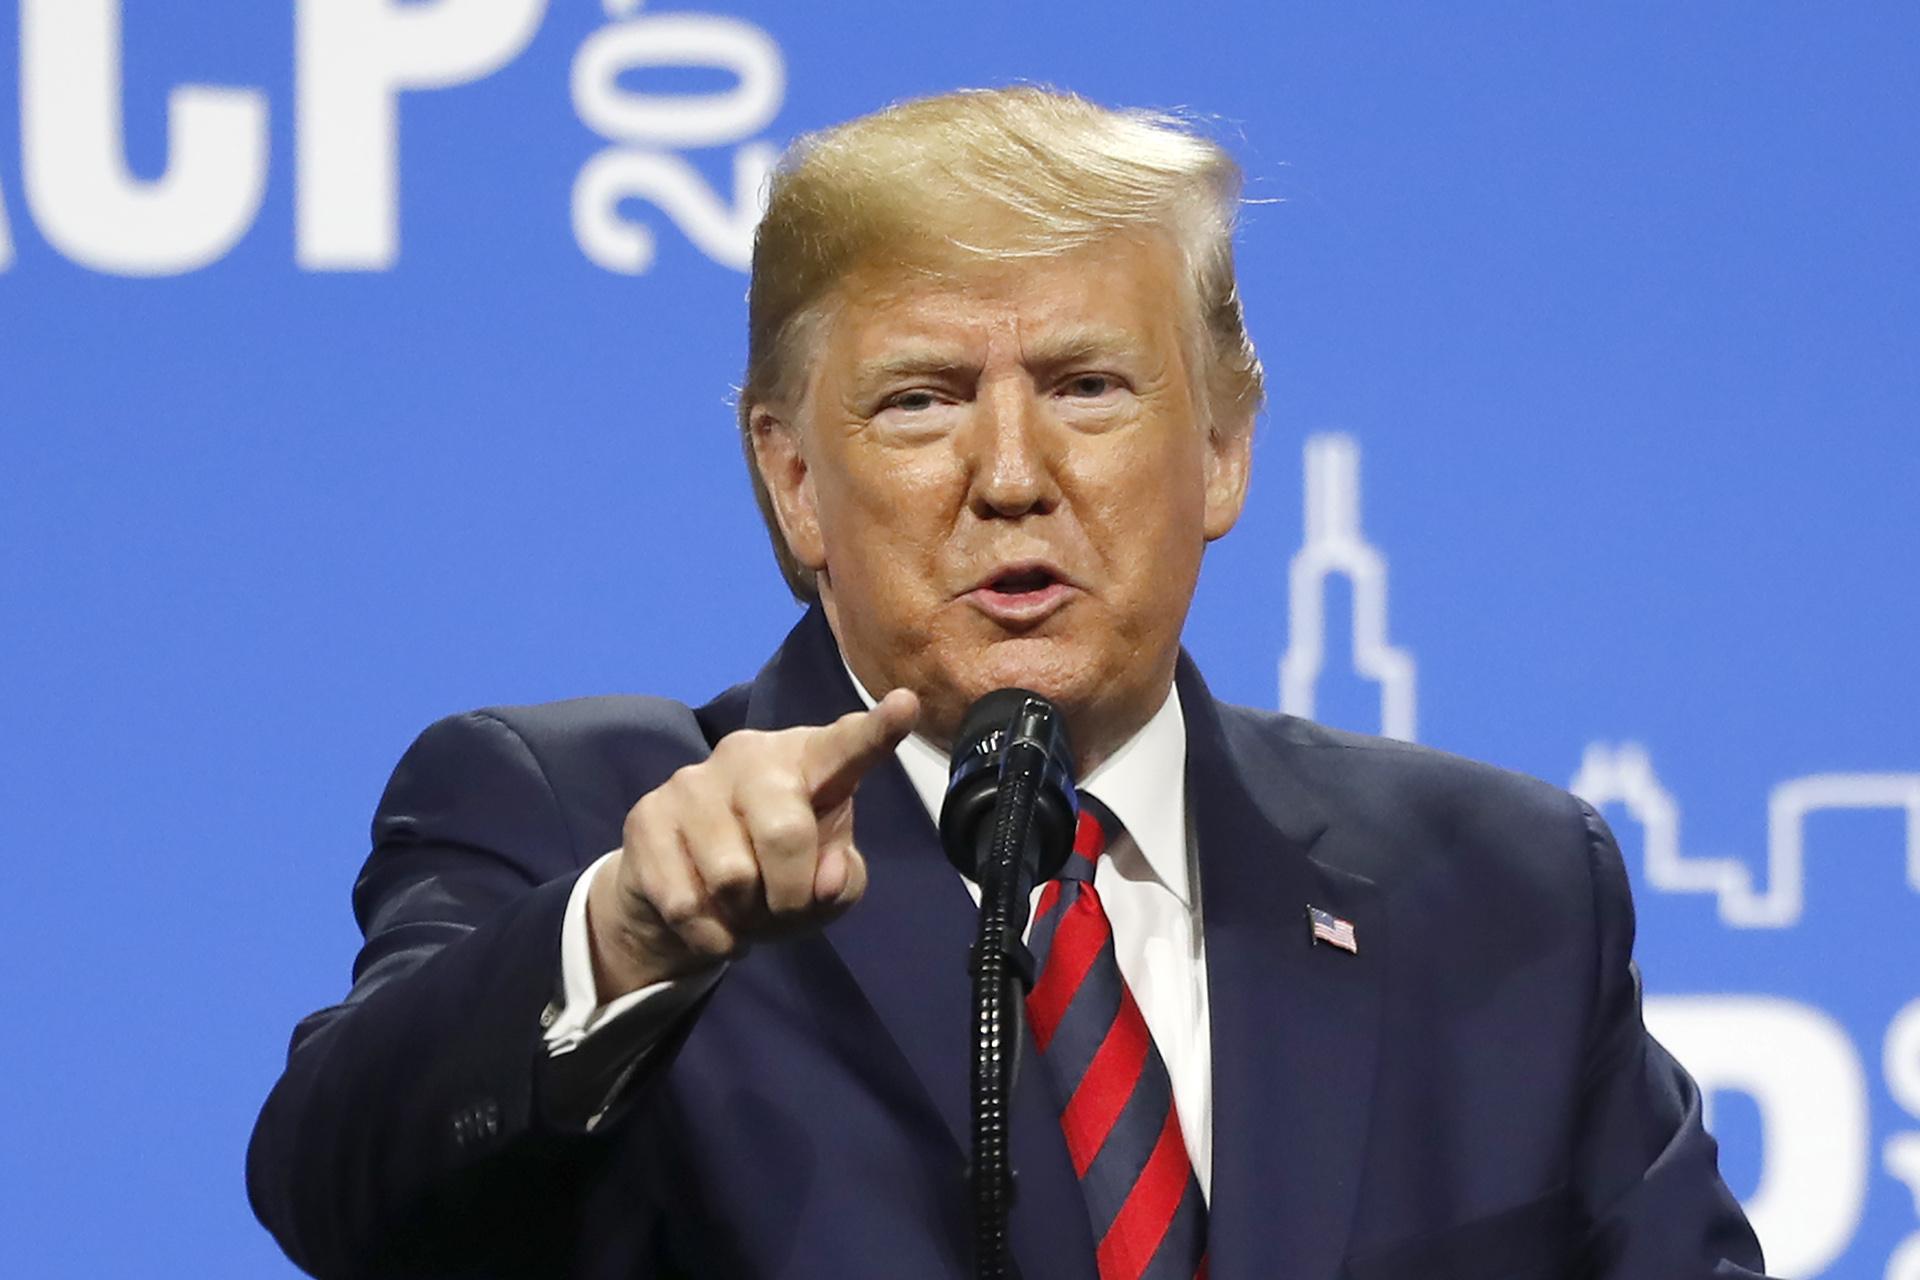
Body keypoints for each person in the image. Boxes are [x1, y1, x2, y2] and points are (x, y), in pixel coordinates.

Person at [248, 87, 1769, 1279]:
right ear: (790, 481)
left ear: (1226, 447)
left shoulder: (1501, 894)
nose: (1013, 476)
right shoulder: (578, 814)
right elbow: (335, 1184)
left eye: (1088, 387)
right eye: (921, 401)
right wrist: (629, 936)